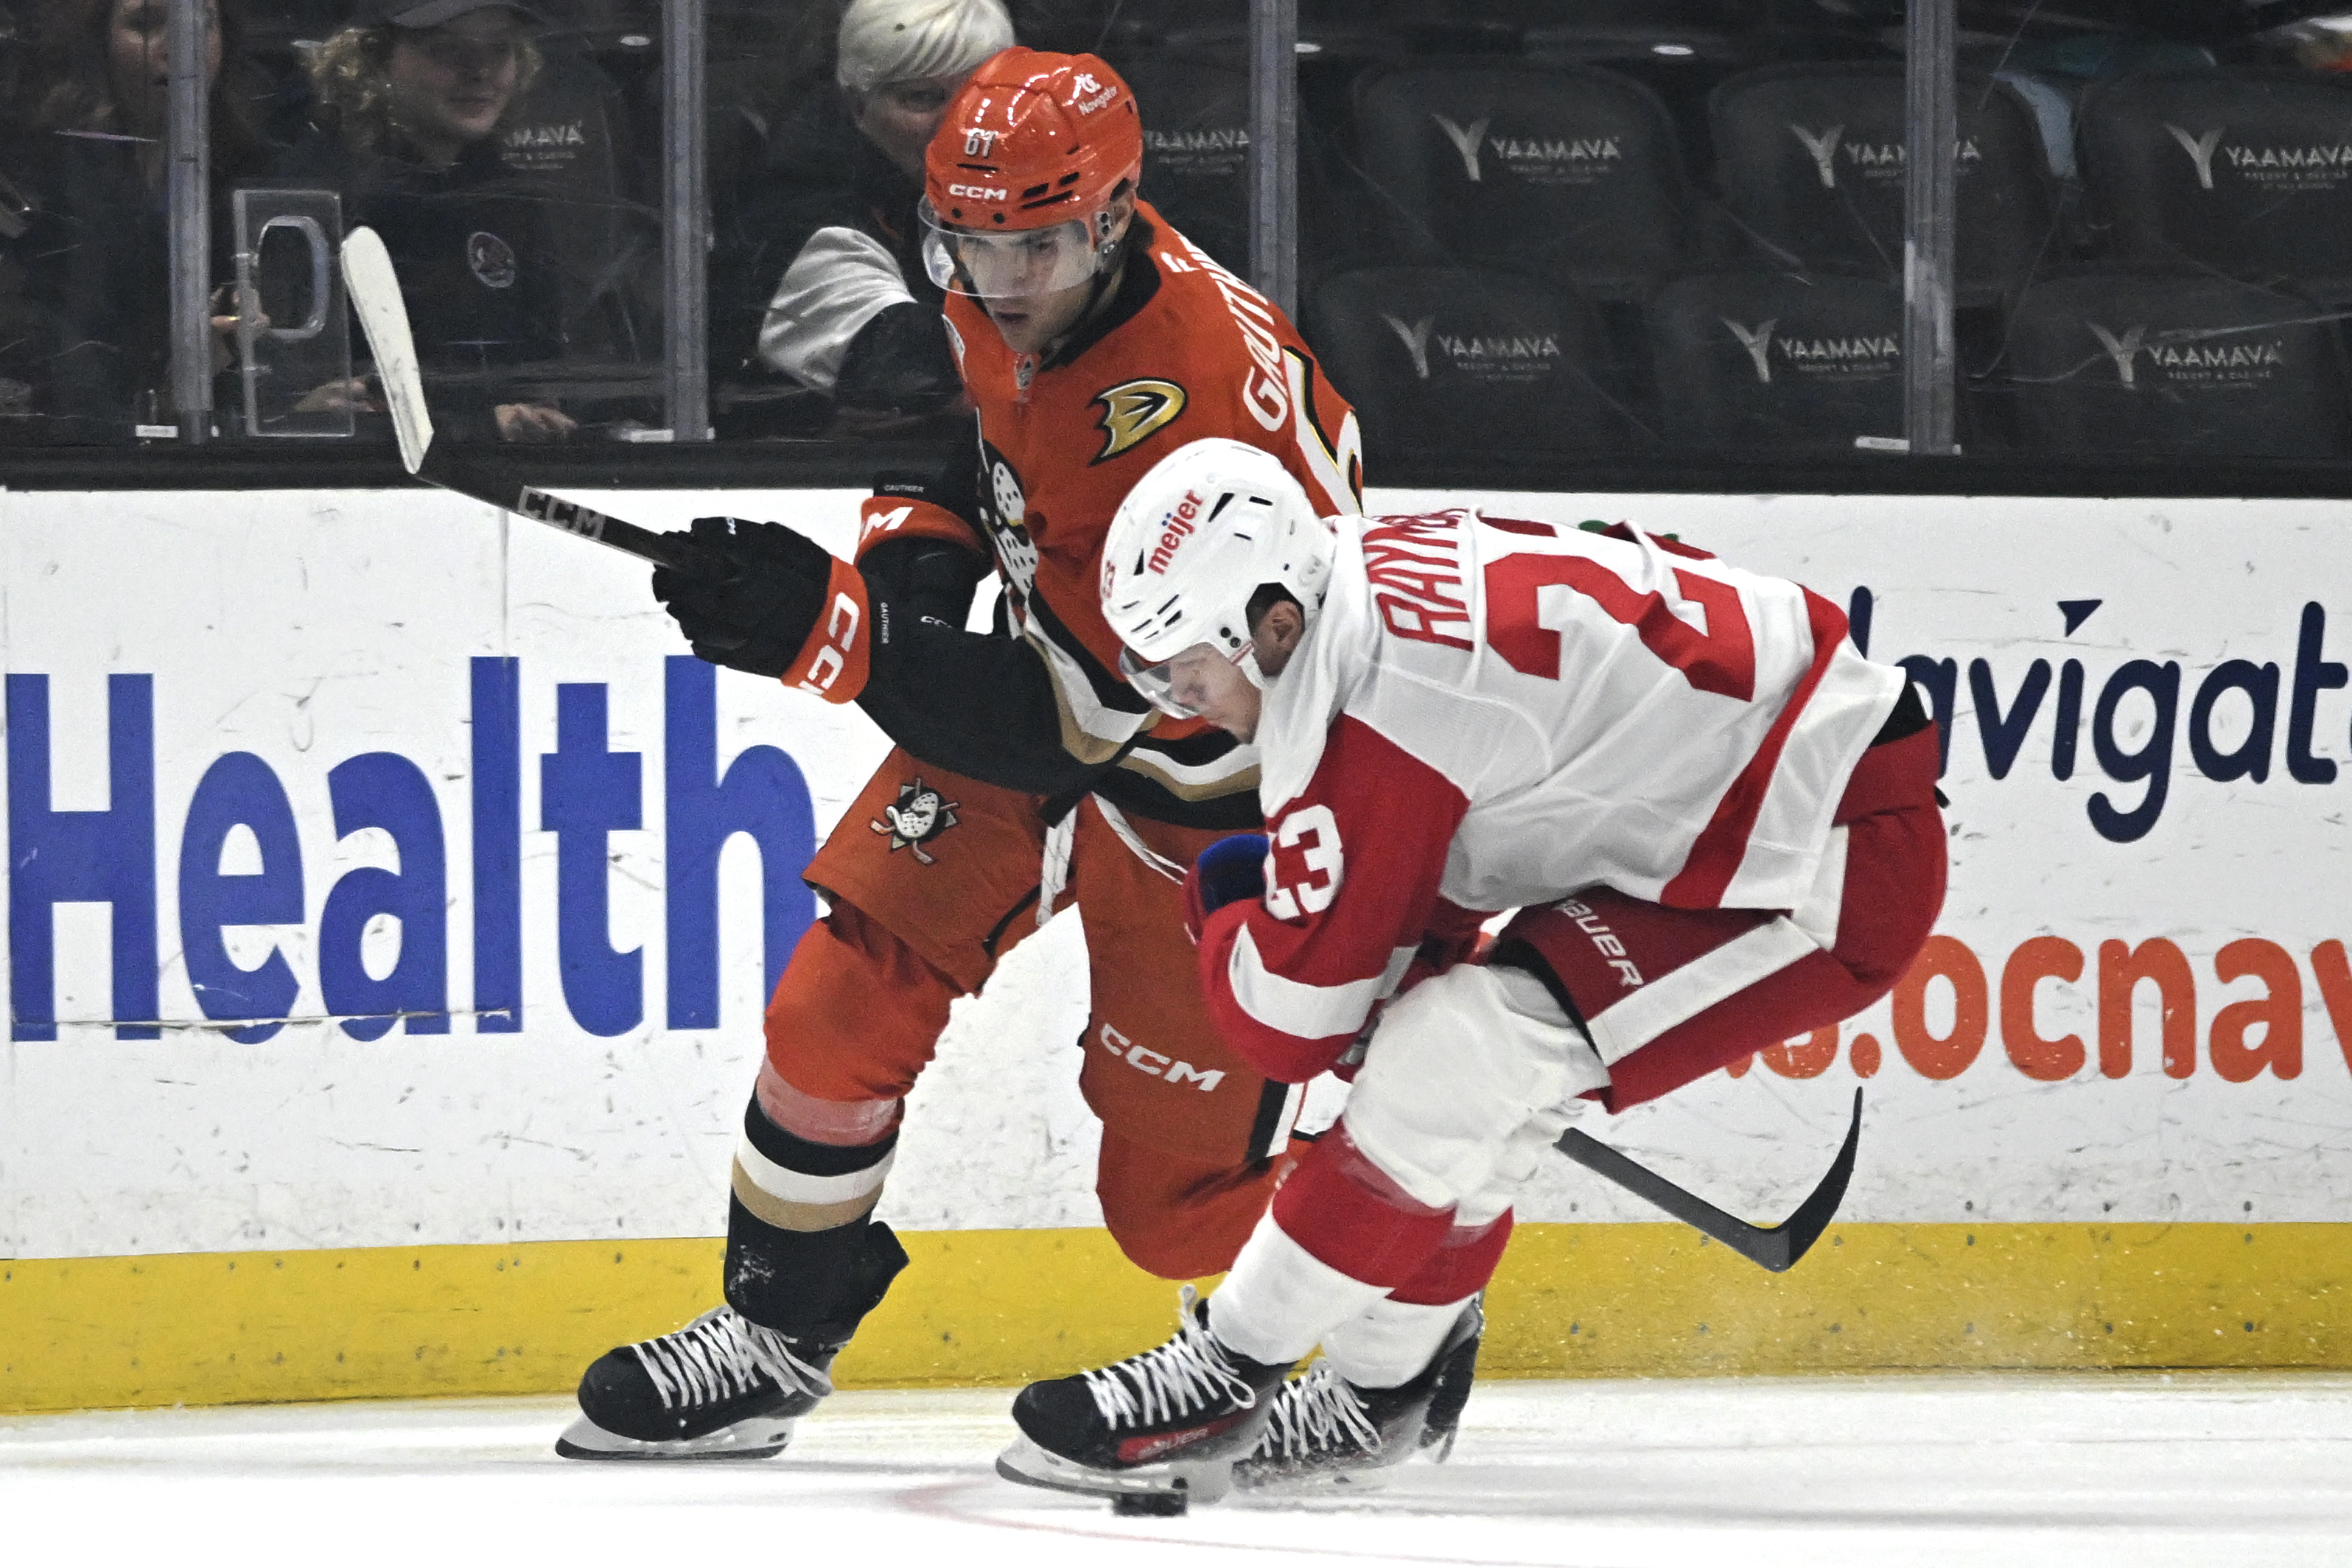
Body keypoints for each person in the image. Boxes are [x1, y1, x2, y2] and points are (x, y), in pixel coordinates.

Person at [555, 49, 1369, 1465]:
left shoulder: (1184, 418)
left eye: (1032, 246)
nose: (995, 280)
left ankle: (1403, 1306)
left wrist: (832, 630)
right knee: (840, 997)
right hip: (1059, 688)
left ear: (1114, 215)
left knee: (1167, 1209)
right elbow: (965, 442)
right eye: (966, 243)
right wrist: (909, 586)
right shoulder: (1022, 271)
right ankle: (774, 1331)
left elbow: (1068, 721)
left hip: (1210, 780)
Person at [995, 438, 1947, 1499]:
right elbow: (1465, 824)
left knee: (1464, 1055)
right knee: (1465, 1065)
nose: (1177, 699)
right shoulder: (1349, 588)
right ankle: (1376, 1397)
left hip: (1821, 859)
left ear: (1271, 625)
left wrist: (1224, 903)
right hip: (1747, 795)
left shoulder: (1366, 712)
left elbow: (1291, 1027)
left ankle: (1226, 1372)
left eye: (1187, 666)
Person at [279, 0, 576, 442]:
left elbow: (548, 367)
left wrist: (543, 410)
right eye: (445, 50)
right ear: (373, 61)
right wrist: (475, 426)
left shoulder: (511, 199)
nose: (479, 71)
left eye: (500, 49)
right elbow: (309, 398)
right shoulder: (319, 197)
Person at [711, 0, 1012, 419]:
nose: (963, 123)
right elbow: (916, 369)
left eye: (984, 97)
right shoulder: (795, 209)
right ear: (856, 107)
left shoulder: (1012, 192)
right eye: (924, 98)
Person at [0, 0, 269, 441]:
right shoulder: (39, 188)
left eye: (201, 25)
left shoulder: (253, 175)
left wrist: (299, 406)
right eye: (145, 25)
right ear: (97, 41)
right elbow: (69, 390)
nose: (181, 49)